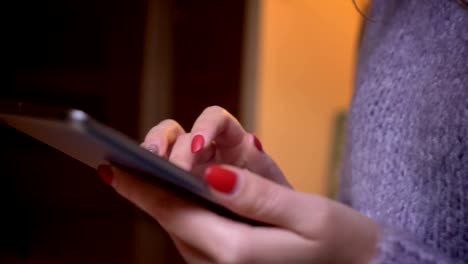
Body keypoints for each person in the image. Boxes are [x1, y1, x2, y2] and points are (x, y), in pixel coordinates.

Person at [97, 1, 467, 263]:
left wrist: (371, 257)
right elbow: (373, 221)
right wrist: (268, 223)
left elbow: (375, 246)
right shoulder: (384, 11)